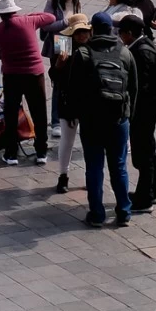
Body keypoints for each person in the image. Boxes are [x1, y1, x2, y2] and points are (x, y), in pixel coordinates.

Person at [63, 9, 136, 226]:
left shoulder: (83, 54)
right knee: (119, 166)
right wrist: (127, 116)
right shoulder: (124, 53)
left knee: (94, 167)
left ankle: (96, 213)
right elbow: (133, 88)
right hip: (118, 120)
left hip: (92, 121)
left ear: (92, 29)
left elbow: (72, 89)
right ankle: (123, 211)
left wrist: (73, 114)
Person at [0, 0, 64, 166]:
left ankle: (11, 153)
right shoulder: (28, 21)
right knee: (39, 112)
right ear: (14, 10)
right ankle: (41, 152)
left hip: (12, 76)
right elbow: (50, 17)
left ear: (0, 14)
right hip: (34, 74)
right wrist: (29, 16)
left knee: (11, 113)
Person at [116, 9, 156, 212]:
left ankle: (145, 198)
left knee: (143, 152)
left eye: (121, 32)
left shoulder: (141, 52)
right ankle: (152, 188)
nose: (119, 36)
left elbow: (141, 86)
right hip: (147, 109)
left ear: (129, 33)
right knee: (147, 150)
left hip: (143, 111)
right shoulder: (144, 46)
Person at [51, 13, 91, 193]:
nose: (82, 35)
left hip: (88, 101)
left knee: (90, 142)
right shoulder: (63, 44)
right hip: (68, 100)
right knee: (67, 141)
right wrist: (59, 65)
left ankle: (92, 176)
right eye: (78, 32)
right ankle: (63, 176)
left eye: (85, 32)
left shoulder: (92, 47)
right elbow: (54, 77)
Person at [42, 0, 84, 133]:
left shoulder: (76, 3)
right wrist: (66, 22)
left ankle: (71, 115)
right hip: (61, 42)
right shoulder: (52, 2)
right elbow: (46, 26)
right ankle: (55, 121)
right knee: (59, 82)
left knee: (73, 81)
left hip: (74, 42)